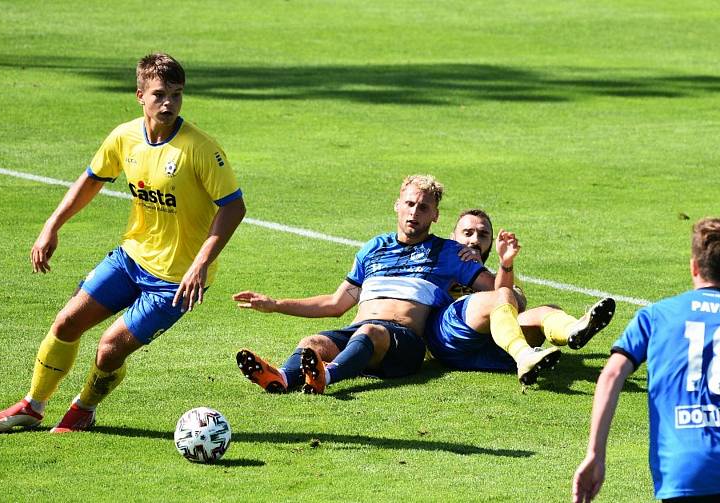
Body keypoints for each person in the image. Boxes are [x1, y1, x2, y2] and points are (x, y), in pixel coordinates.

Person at [0, 53, 246, 433]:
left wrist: (201, 264)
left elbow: (234, 207)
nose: (168, 103)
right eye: (159, 94)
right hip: (131, 258)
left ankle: (84, 408)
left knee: (109, 349)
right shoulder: (125, 137)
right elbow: (92, 179)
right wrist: (52, 225)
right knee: (67, 322)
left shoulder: (200, 148)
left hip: (175, 281)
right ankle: (32, 405)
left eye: (176, 94)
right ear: (140, 94)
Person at [232, 175, 556, 394]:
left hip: (405, 345)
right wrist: (275, 305)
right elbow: (335, 304)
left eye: (424, 207)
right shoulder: (373, 248)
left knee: (370, 333)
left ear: (435, 216)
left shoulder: (447, 252)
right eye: (410, 204)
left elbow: (497, 293)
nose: (415, 212)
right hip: (360, 332)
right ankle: (281, 379)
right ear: (397, 205)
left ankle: (326, 376)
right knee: (313, 341)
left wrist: (506, 265)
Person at [572, 217, 720, 502]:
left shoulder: (656, 316)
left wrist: (595, 452)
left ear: (694, 267)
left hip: (684, 469)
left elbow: (612, 375)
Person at [425, 209, 616, 382]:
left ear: (491, 243)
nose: (475, 240)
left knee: (547, 310)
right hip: (453, 346)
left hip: (500, 351)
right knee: (497, 299)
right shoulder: (438, 269)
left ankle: (573, 330)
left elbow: (518, 304)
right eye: (467, 233)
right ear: (451, 238)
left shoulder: (503, 274)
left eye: (483, 235)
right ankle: (526, 354)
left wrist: (505, 263)